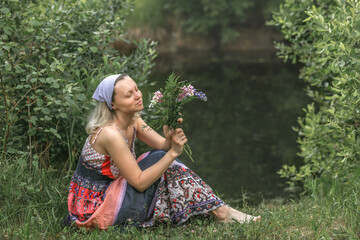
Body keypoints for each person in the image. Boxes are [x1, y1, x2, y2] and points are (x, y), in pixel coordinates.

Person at [66, 74, 260, 229]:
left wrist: (169, 137)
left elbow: (162, 146)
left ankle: (221, 210)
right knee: (162, 160)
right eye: (129, 94)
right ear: (113, 105)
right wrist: (173, 153)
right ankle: (222, 211)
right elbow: (140, 183)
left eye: (136, 89)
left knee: (159, 157)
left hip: (115, 192)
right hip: (96, 208)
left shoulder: (133, 120)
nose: (138, 95)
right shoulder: (110, 134)